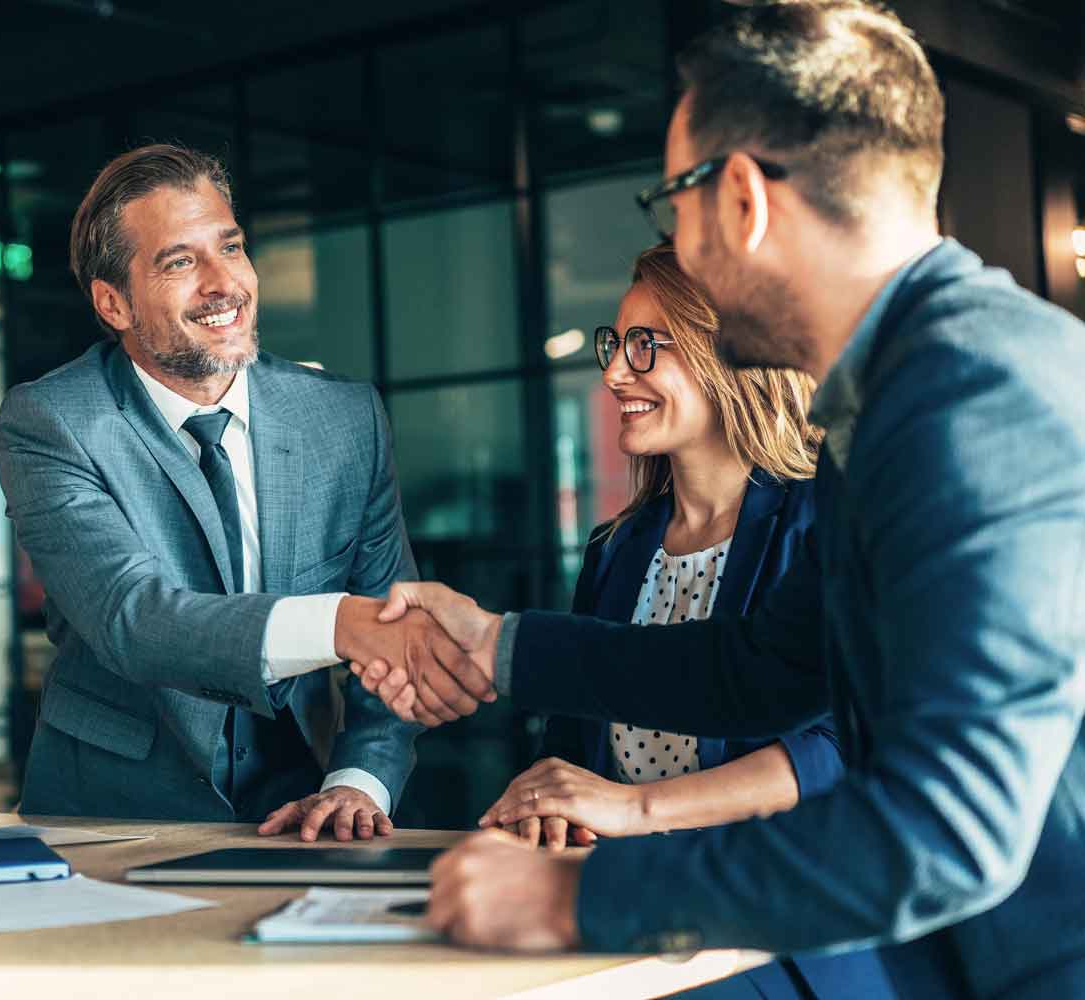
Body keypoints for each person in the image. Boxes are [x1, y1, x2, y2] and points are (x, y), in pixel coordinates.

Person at [353, 3, 1085, 997]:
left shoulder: (972, 399)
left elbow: (952, 825)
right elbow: (763, 668)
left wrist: (578, 897)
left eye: (674, 206)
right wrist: (494, 640)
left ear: (739, 197)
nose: (682, 246)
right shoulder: (893, 397)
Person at [0, 143, 488, 841]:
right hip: (105, 819)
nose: (224, 283)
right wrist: (340, 621)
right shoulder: (52, 421)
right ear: (113, 302)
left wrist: (355, 784)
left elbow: (394, 636)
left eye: (230, 247)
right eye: (179, 261)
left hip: (296, 813)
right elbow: (132, 618)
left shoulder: (345, 419)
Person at [485, 242, 890, 999]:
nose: (612, 374)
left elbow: (840, 746)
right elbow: (575, 746)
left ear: (725, 357)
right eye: (616, 344)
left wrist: (635, 810)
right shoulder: (616, 549)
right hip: (631, 925)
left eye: (646, 345)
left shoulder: (820, 523)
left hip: (776, 936)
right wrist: (549, 802)